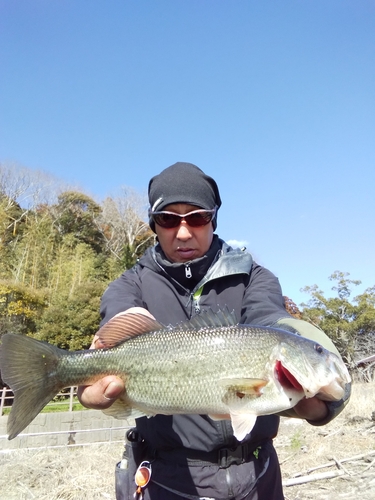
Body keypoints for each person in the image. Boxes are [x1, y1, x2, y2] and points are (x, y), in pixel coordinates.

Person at [78, 162, 351, 500]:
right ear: (153, 224)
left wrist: (326, 388)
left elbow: (275, 322)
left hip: (258, 476)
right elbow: (118, 324)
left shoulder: (255, 276)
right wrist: (87, 379)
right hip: (166, 479)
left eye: (197, 217)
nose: (182, 232)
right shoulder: (128, 285)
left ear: (213, 218)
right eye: (167, 219)